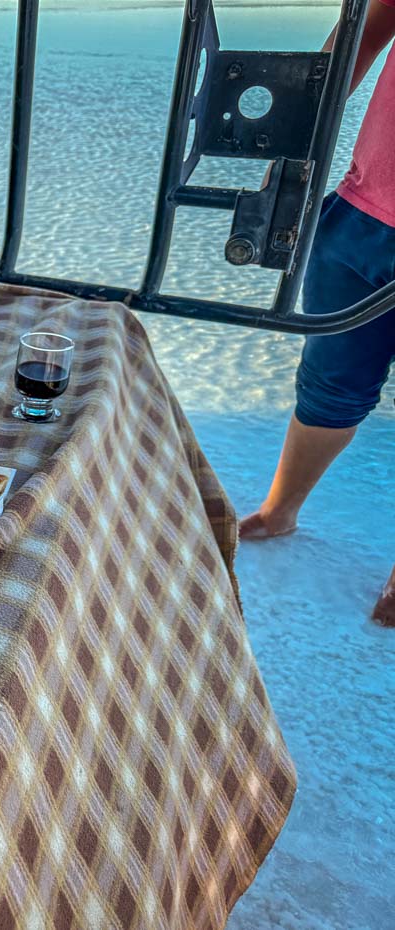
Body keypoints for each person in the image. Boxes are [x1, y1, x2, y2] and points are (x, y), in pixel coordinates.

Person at [240, 0, 395, 626]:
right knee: (330, 379)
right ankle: (280, 510)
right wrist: (295, 141)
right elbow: (369, 23)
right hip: (365, 213)